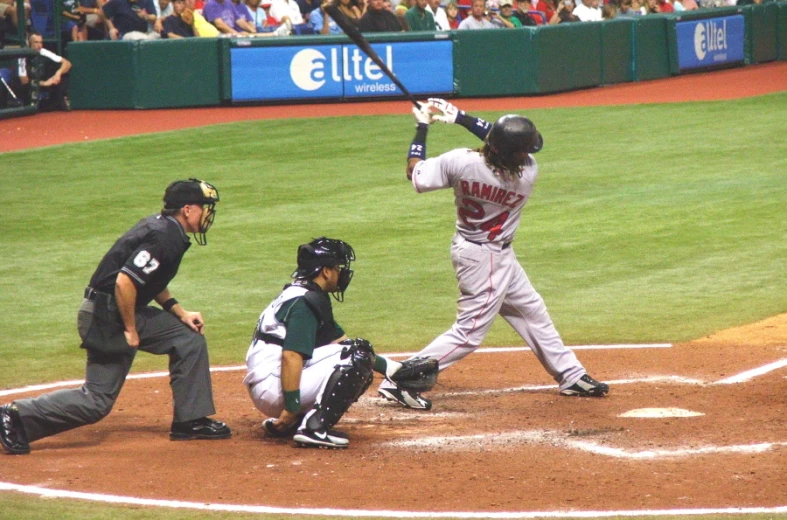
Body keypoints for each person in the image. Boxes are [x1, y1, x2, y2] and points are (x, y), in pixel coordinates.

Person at [376, 99, 610, 411]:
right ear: (511, 153)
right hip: (484, 261)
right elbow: (491, 136)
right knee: (469, 333)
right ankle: (401, 380)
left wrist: (421, 128)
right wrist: (461, 117)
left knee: (530, 310)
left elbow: (414, 172)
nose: (528, 154)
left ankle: (571, 375)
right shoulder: (526, 174)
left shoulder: (459, 162)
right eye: (523, 150)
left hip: (479, 251)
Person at [0, 179, 231, 456]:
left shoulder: (167, 229)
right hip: (107, 316)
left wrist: (179, 312)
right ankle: (14, 415)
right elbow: (125, 282)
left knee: (187, 338)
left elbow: (149, 280)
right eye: (206, 207)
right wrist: (131, 329)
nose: (208, 214)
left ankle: (190, 421)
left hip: (116, 309)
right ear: (187, 209)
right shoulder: (165, 235)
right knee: (97, 401)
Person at [244, 237, 421, 449]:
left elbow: (341, 344)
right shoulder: (303, 303)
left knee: (357, 355)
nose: (342, 273)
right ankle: (313, 428)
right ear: (326, 271)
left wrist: (394, 369)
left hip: (270, 382)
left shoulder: (303, 293)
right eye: (338, 267)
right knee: (357, 357)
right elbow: (290, 355)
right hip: (274, 387)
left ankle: (298, 422)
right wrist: (290, 408)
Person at [15, 32, 71, 112]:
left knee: (64, 76)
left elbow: (67, 63)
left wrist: (58, 74)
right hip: (29, 88)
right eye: (36, 42)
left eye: (41, 42)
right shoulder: (22, 56)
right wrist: (43, 83)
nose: (39, 45)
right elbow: (24, 81)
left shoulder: (44, 52)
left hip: (45, 84)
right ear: (29, 43)